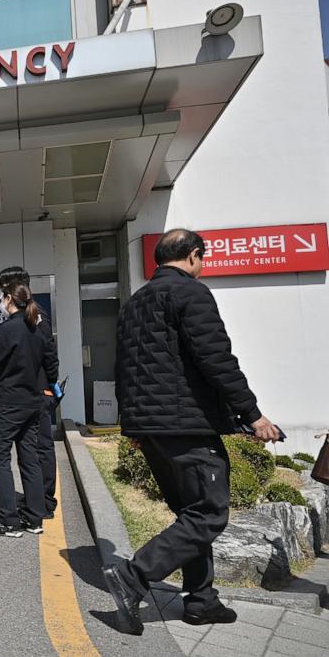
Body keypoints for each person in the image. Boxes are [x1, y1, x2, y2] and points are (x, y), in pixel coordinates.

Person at [103, 229, 280, 635]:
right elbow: (217, 360)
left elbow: (124, 369)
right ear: (195, 256)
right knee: (209, 514)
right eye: (204, 258)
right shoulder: (190, 294)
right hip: (186, 425)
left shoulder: (134, 304)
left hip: (151, 428)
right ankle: (133, 576)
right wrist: (252, 415)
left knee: (190, 513)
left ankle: (201, 601)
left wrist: (134, 425)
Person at [0, 284, 58, 537]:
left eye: (1, 297)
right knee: (29, 458)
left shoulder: (9, 328)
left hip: (11, 402)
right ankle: (34, 518)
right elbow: (48, 360)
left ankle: (8, 520)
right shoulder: (36, 327)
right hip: (33, 401)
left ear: (9, 299)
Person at [0, 266, 60, 519]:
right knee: (33, 450)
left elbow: (48, 353)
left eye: (3, 291)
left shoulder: (35, 316)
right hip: (37, 390)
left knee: (40, 449)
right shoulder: (29, 314)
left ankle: (43, 502)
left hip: (37, 391)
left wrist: (49, 386)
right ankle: (37, 503)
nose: (2, 298)